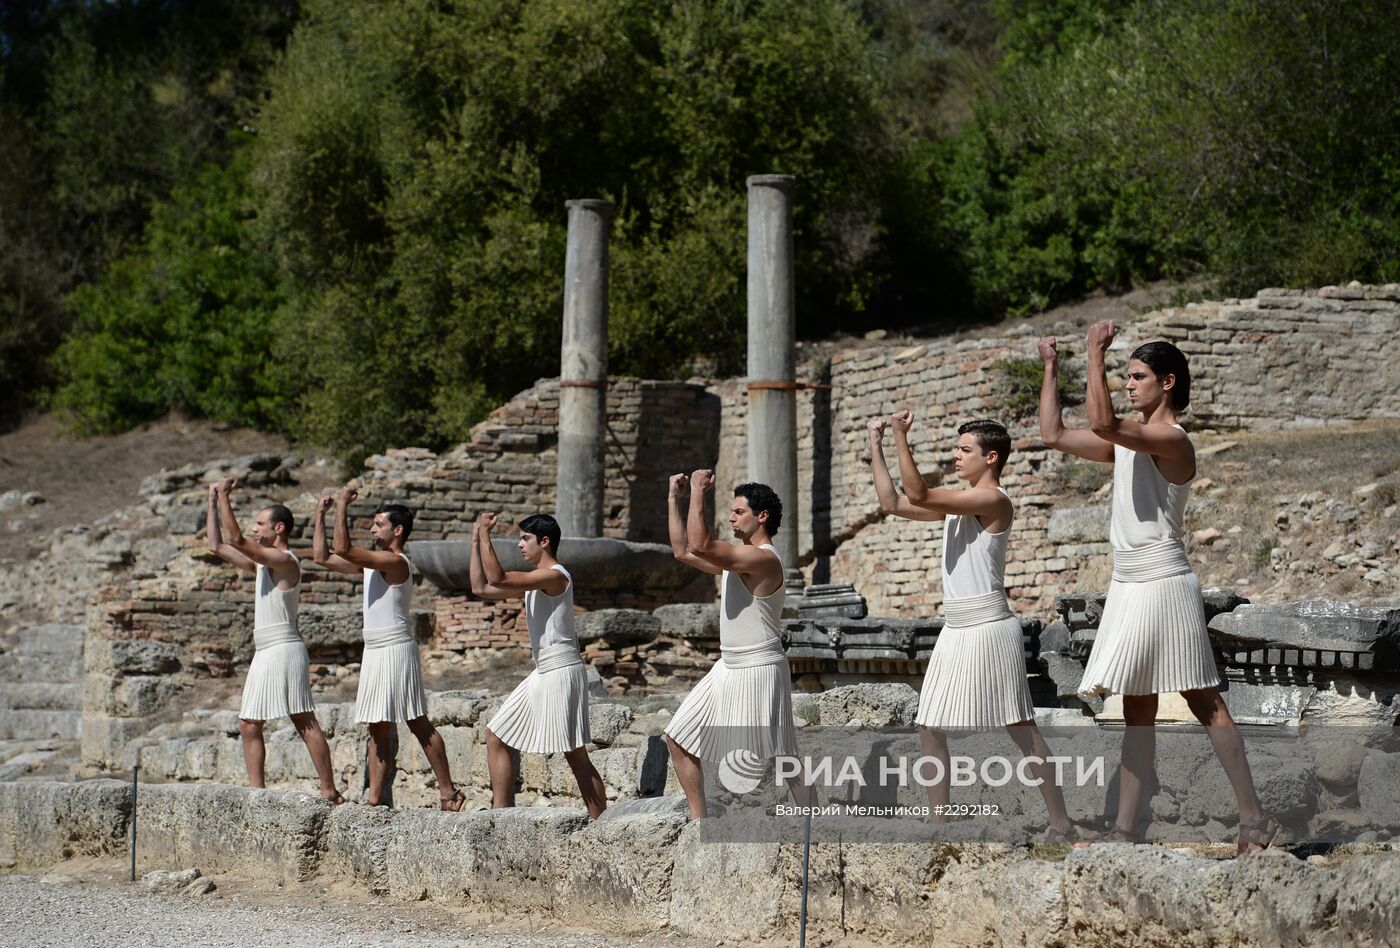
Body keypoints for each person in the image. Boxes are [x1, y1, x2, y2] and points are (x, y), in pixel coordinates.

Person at [1039, 323, 1279, 854]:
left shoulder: (1170, 440)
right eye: (1125, 376)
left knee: (1203, 700)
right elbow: (1054, 435)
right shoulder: (1127, 442)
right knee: (1137, 706)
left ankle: (1254, 820)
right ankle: (1125, 830)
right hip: (1128, 581)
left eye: (1138, 376)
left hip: (1164, 579)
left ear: (1167, 383)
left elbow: (1101, 421)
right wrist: (1053, 368)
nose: (1129, 384)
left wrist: (1093, 352)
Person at [873, 415, 1075, 839]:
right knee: (929, 724)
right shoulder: (957, 504)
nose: (956, 455)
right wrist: (877, 443)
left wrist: (900, 436)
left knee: (1020, 726)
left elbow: (919, 492)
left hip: (988, 625)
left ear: (991, 457)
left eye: (964, 450)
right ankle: (939, 821)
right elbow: (893, 503)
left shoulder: (994, 500)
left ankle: (1061, 822)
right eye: (957, 448)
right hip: (956, 627)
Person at [312, 486, 465, 811]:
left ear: (397, 530)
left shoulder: (395, 562)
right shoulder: (371, 565)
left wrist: (342, 505)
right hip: (375, 649)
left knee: (416, 720)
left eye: (378, 523)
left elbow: (343, 547)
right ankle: (374, 800)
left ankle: (448, 792)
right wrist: (320, 514)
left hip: (395, 647)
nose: (371, 528)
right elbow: (322, 557)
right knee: (377, 727)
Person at [663, 471, 801, 819]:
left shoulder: (763, 559)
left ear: (762, 516)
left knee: (780, 757)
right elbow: (683, 551)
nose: (731, 517)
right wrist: (674, 499)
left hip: (758, 667)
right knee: (677, 738)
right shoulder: (738, 559)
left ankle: (814, 824)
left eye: (738, 511)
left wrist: (698, 492)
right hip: (727, 667)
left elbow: (702, 545)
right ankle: (700, 823)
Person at [205, 478, 344, 804]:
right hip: (264, 649)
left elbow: (236, 538)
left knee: (303, 718)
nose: (255, 528)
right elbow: (217, 545)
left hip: (285, 647)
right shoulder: (261, 564)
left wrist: (226, 494)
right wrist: (212, 500)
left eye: (260, 523)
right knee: (249, 723)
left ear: (278, 528)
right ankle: (257, 793)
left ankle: (329, 791)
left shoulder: (285, 561)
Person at [470, 511, 607, 818]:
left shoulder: (555, 576)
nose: (520, 545)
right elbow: (480, 587)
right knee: (497, 734)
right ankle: (501, 815)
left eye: (525, 538)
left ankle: (601, 823)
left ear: (544, 542)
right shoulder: (536, 582)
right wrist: (476, 539)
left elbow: (499, 578)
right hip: (543, 669)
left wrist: (487, 536)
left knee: (575, 754)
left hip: (561, 668)